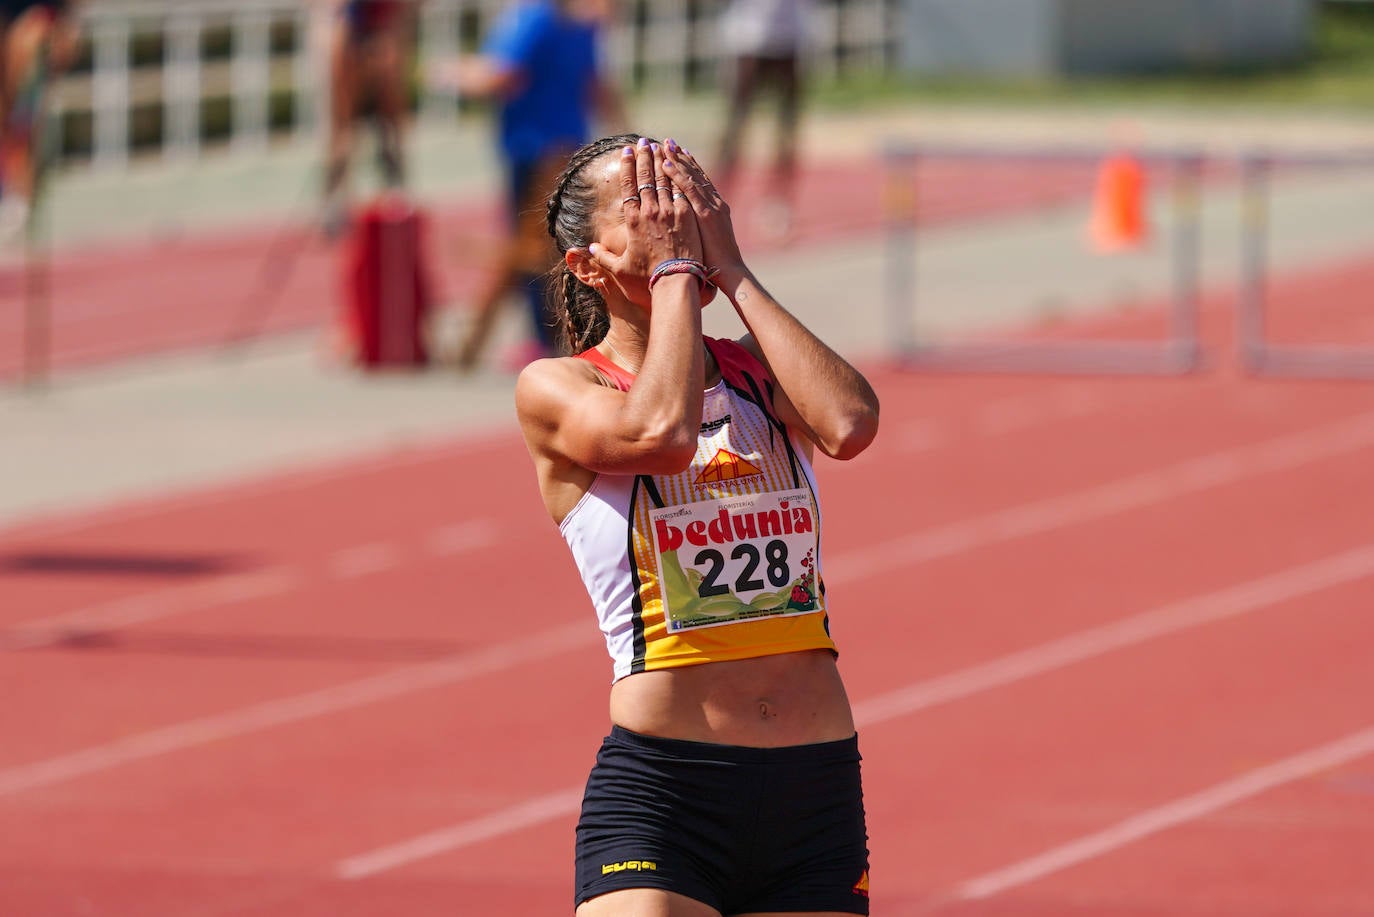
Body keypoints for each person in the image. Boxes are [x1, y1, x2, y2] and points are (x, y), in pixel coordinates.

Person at [517, 133, 880, 915]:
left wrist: (734, 269)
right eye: (645, 205)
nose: (672, 216)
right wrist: (679, 269)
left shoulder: (757, 370)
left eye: (684, 197)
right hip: (667, 789)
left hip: (813, 786)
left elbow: (849, 423)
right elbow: (660, 435)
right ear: (587, 264)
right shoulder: (562, 387)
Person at [432, 0, 625, 370]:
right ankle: (559, 334)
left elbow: (499, 76)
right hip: (569, 148)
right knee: (554, 246)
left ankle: (538, 338)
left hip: (534, 149)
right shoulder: (580, 21)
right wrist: (629, 134)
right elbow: (596, 85)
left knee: (531, 250)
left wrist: (447, 73)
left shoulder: (534, 17)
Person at [713, 0, 815, 241]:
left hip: (789, 38)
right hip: (750, 38)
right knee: (735, 128)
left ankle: (779, 203)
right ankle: (715, 199)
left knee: (785, 129)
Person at [320, 0, 419, 239]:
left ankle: (395, 198)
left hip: (384, 32)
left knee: (390, 127)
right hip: (355, 34)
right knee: (344, 132)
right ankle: (334, 203)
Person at [0, 0, 79, 242]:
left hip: (40, 26)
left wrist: (65, 28)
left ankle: (20, 192)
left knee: (28, 41)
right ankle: (13, 187)